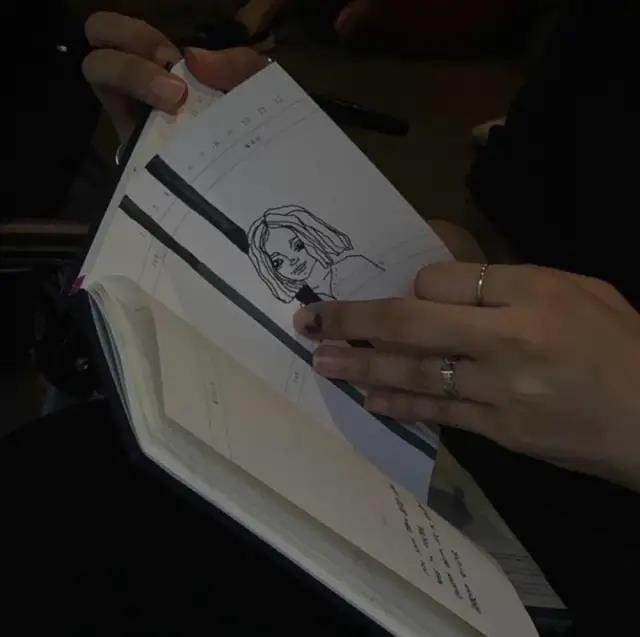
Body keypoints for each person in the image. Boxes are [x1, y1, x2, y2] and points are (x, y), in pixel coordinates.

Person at [5, 5, 637, 634]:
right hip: (434, 445)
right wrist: (266, 166)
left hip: (567, 551)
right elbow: (510, 241)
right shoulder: (602, 38)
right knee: (58, 493)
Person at [248, 205, 382, 302]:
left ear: (311, 238)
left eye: (298, 246)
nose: (292, 260)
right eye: (278, 262)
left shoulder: (352, 265)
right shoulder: (305, 307)